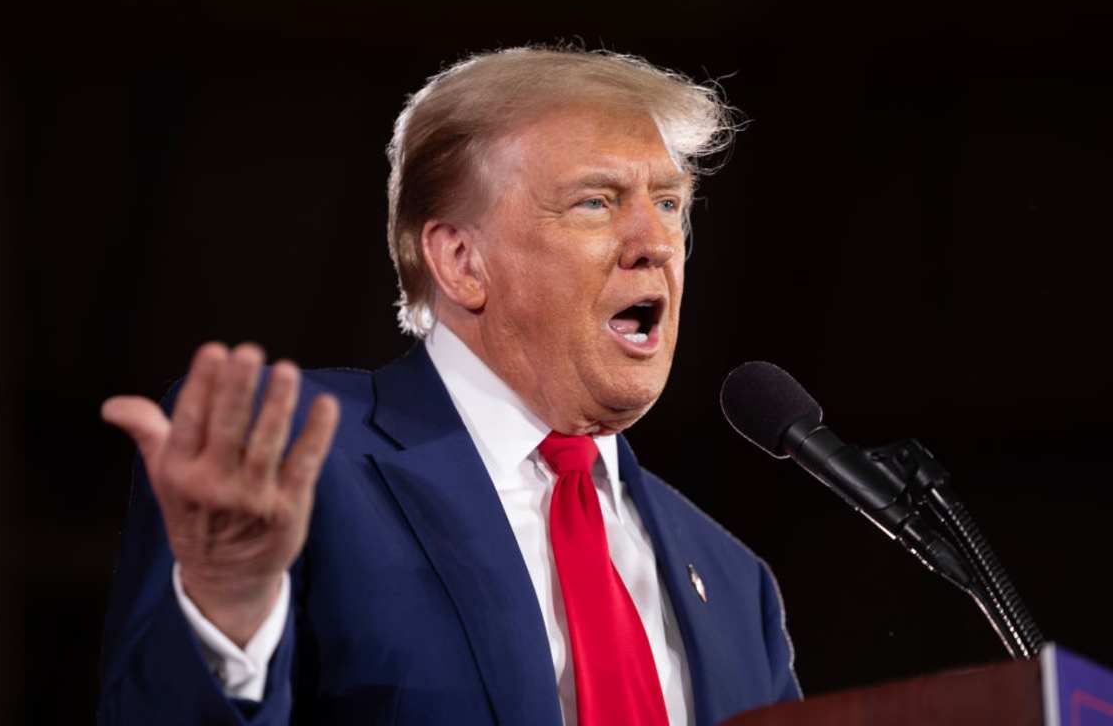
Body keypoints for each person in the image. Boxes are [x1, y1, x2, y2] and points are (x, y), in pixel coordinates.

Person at [99, 47, 801, 725]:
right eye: (596, 202)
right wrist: (226, 617)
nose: (655, 241)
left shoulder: (737, 586)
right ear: (462, 261)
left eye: (672, 204)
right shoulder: (291, 463)